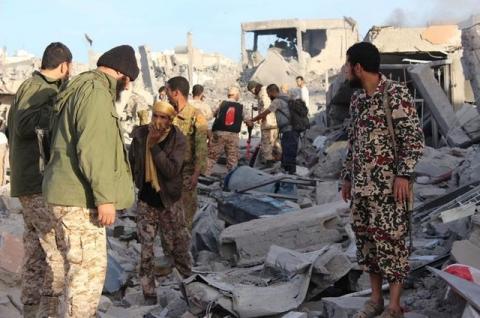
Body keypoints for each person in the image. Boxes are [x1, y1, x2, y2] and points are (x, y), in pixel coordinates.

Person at [42, 45, 139, 317]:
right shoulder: (96, 93)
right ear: (121, 74)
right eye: (128, 80)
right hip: (79, 198)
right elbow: (93, 148)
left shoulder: (80, 86)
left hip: (64, 193)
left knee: (69, 275)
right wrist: (104, 198)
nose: (128, 87)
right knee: (86, 279)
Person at [340, 42, 424, 318]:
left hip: (390, 189)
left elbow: (413, 140)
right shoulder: (357, 100)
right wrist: (347, 178)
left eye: (347, 65)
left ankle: (394, 305)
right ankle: (375, 300)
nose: (345, 71)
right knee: (368, 245)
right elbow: (353, 142)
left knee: (392, 244)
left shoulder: (396, 94)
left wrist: (403, 174)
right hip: (362, 188)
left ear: (358, 68)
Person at [7, 42, 72, 318]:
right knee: (56, 252)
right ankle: (51, 312)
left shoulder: (30, 86)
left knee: (35, 252)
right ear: (63, 66)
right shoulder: (42, 89)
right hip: (36, 184)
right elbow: (22, 125)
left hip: (29, 182)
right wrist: (58, 109)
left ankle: (31, 311)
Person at [129, 101, 192, 304]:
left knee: (178, 247)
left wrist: (154, 147)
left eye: (163, 117)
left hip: (169, 201)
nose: (157, 121)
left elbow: (171, 170)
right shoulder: (140, 135)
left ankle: (191, 288)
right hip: (147, 201)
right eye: (155, 116)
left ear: (170, 120)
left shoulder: (178, 140)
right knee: (146, 250)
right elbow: (132, 163)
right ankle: (149, 293)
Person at [167, 76, 208, 231]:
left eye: (168, 91)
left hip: (186, 172)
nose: (166, 95)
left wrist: (196, 174)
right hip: (168, 173)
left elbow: (201, 147)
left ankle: (184, 249)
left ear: (176, 93)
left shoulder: (196, 116)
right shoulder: (168, 114)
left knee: (186, 215)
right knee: (168, 214)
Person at [248, 84, 299, 174]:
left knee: (287, 150)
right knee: (289, 150)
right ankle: (290, 171)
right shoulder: (286, 97)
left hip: (288, 130)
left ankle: (288, 173)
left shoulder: (277, 101)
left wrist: (252, 120)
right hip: (293, 128)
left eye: (268, 93)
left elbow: (265, 113)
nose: (268, 96)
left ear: (272, 92)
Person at [206, 86, 247, 175]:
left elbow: (211, 114)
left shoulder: (221, 104)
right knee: (232, 158)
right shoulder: (241, 107)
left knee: (212, 156)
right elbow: (247, 120)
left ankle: (204, 174)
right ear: (236, 95)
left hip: (219, 134)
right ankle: (231, 177)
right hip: (233, 135)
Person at [247, 81, 279, 167]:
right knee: (274, 142)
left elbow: (266, 107)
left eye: (252, 91)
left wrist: (260, 118)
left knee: (266, 143)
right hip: (274, 122)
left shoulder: (262, 93)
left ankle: (268, 161)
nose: (253, 93)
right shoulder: (266, 91)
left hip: (267, 123)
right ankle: (277, 158)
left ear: (254, 88)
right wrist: (258, 108)